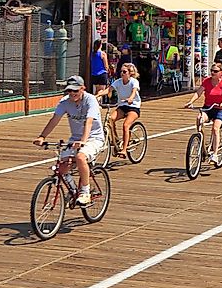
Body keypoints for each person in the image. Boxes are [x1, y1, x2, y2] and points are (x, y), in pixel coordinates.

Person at [33, 75, 105, 205]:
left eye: (75, 91)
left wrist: (83, 141)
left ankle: (85, 192)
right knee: (61, 167)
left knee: (80, 157)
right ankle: (73, 190)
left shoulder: (91, 100)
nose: (72, 94)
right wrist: (42, 136)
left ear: (83, 89)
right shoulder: (64, 102)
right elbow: (54, 120)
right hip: (75, 139)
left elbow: (89, 122)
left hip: (93, 138)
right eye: (69, 90)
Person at [185, 63, 222, 166]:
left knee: (215, 129)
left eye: (215, 71)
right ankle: (201, 143)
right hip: (208, 107)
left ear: (221, 73)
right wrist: (191, 101)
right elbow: (199, 92)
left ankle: (215, 154)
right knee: (199, 119)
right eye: (212, 71)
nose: (212, 73)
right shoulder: (206, 81)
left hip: (220, 109)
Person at [108, 63, 142, 158]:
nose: (122, 73)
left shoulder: (133, 82)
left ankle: (124, 149)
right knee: (110, 119)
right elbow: (109, 89)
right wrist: (97, 96)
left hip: (133, 106)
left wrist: (131, 98)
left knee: (126, 125)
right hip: (122, 106)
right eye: (121, 72)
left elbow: (134, 91)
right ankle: (115, 140)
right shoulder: (118, 82)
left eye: (124, 72)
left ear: (130, 73)